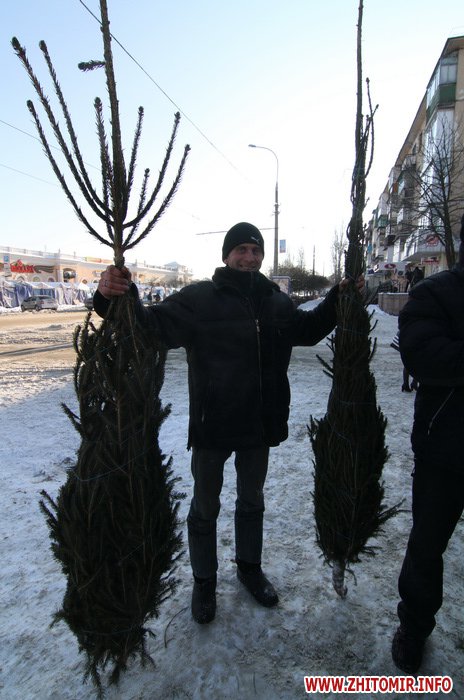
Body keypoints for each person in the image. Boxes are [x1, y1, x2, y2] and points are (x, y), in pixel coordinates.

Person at [94, 222, 363, 625]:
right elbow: (149, 325)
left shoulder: (275, 301)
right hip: (213, 425)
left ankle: (249, 569)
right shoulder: (200, 299)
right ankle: (204, 581)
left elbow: (307, 330)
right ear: (226, 255)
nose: (249, 257)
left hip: (259, 425)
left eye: (256, 250)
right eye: (241, 249)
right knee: (205, 507)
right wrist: (113, 295)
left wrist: (338, 298)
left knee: (251, 502)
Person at [391, 213, 464, 673]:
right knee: (426, 546)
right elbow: (423, 356)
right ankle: (414, 627)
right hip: (446, 448)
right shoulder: (435, 292)